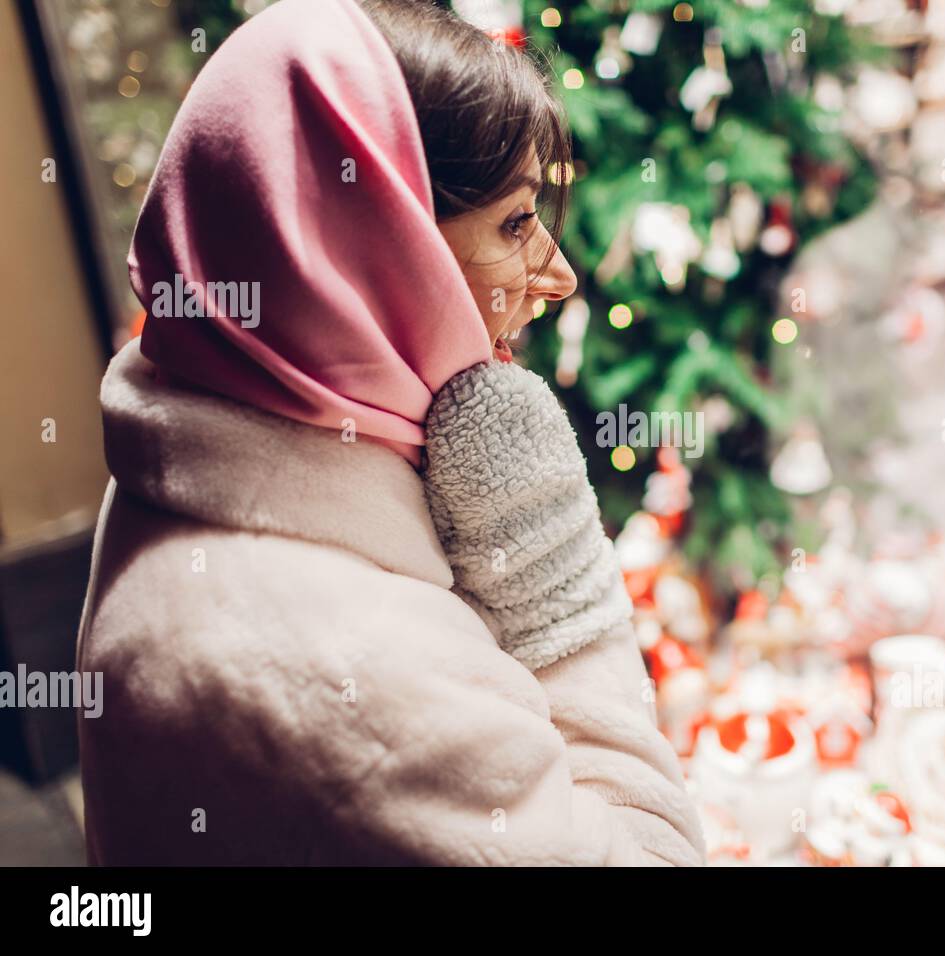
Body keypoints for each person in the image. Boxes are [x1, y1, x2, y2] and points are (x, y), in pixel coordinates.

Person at [75, 0, 705, 866]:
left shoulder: (198, 438)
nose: (557, 277)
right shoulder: (349, 668)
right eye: (518, 223)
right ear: (366, 252)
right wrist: (561, 587)